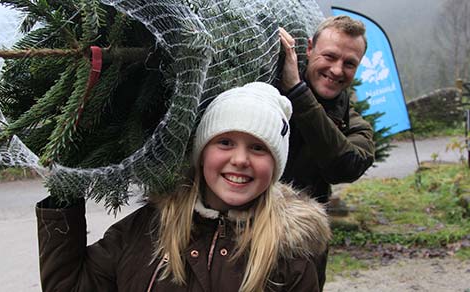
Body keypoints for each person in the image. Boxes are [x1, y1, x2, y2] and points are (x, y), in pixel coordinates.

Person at [36, 82, 331, 292]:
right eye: (225, 142)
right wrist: (64, 194)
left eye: (258, 148)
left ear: (276, 165)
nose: (240, 159)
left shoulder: (291, 255)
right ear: (202, 153)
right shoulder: (148, 227)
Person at [278, 15, 376, 291]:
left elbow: (346, 166)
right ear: (309, 49)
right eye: (329, 56)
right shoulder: (271, 94)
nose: (336, 70)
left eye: (349, 64)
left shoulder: (352, 123)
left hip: (303, 254)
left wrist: (298, 92)